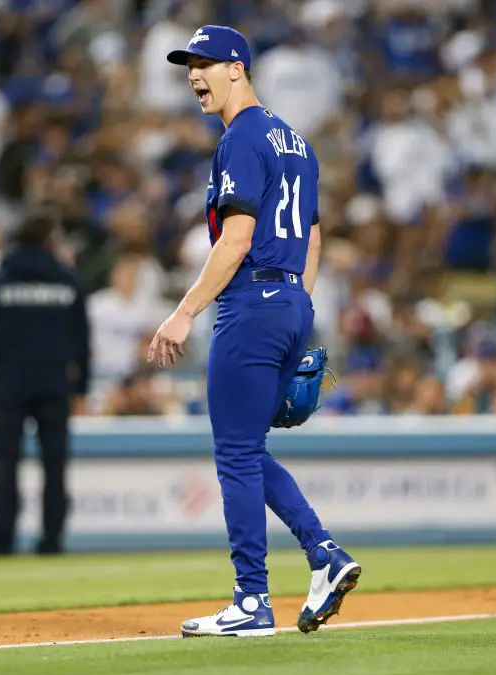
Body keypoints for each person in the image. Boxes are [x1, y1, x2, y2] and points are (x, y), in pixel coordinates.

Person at [149, 25, 361, 638]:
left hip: (252, 301)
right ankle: (324, 555)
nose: (195, 74)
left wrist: (185, 309)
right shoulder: (296, 141)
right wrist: (293, 302)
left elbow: (237, 238)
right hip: (293, 298)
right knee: (248, 446)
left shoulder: (241, 137)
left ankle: (251, 600)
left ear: (238, 68)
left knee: (234, 453)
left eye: (207, 63)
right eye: (189, 65)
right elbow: (315, 237)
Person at [0, 211, 90, 557]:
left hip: (9, 382)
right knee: (55, 464)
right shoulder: (67, 281)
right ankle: (52, 541)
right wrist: (81, 389)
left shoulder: (0, 280)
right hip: (54, 382)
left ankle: (1, 541)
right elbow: (82, 339)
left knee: (6, 464)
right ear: (49, 241)